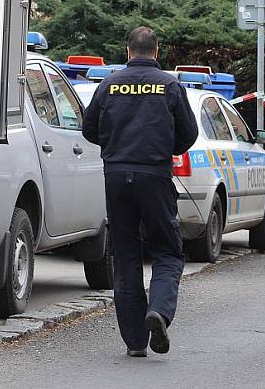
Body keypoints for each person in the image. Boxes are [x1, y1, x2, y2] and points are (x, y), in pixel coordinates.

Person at [82, 27, 198, 357]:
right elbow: (188, 134)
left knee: (126, 253)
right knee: (167, 250)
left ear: (128, 50)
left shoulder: (109, 84)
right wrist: (164, 148)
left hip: (116, 176)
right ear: (156, 51)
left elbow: (89, 128)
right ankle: (158, 312)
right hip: (155, 175)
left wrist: (116, 146)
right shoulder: (170, 85)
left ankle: (135, 342)